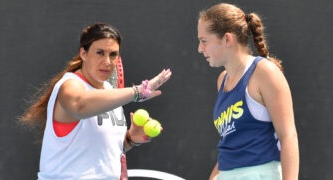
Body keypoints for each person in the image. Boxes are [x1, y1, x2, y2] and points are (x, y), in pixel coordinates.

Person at [20, 23, 172, 179]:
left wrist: (130, 139)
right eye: (100, 53)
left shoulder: (111, 93)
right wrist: (137, 92)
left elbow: (101, 149)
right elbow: (79, 106)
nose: (107, 61)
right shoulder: (70, 85)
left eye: (113, 55)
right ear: (83, 53)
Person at [197, 3, 299, 180]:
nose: (200, 48)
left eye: (204, 41)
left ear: (227, 39)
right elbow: (231, 143)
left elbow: (288, 136)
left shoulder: (265, 72)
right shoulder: (222, 80)